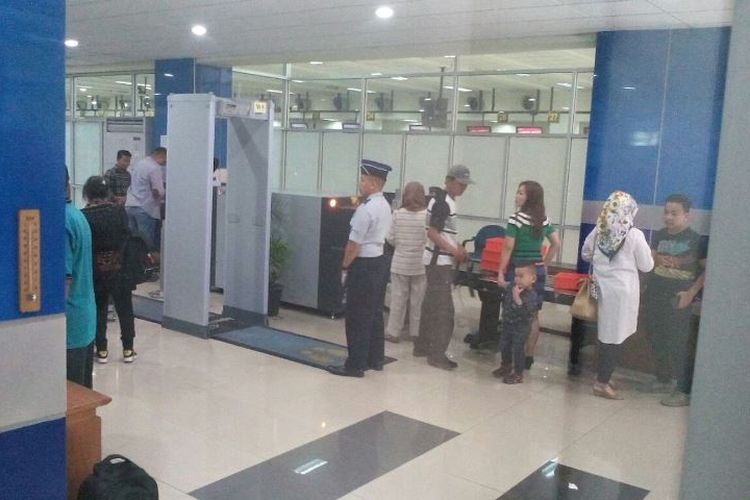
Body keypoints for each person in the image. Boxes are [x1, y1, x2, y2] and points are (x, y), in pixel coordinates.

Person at [581, 191, 654, 400]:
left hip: (601, 290)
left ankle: (604, 375)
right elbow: (647, 265)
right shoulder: (634, 235)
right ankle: (601, 383)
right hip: (623, 294)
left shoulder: (598, 231)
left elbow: (586, 254)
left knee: (605, 334)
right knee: (616, 338)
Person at [327, 160, 393, 377]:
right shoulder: (384, 205)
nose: (360, 183)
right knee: (374, 313)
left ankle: (355, 364)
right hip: (379, 263)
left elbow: (353, 245)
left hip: (363, 266)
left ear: (373, 183)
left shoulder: (365, 209)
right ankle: (375, 359)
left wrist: (345, 267)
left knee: (356, 316)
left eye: (363, 180)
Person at [643, 194, 708, 407]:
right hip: (655, 295)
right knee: (655, 336)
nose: (669, 217)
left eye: (674, 213)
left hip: (679, 299)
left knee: (678, 343)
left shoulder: (696, 240)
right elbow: (649, 261)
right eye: (666, 212)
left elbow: (707, 270)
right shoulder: (659, 235)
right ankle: (663, 379)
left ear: (686, 216)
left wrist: (691, 293)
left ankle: (683, 389)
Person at [496, 181, 560, 370]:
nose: (517, 196)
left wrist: (500, 271)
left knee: (511, 312)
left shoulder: (516, 219)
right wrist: (544, 264)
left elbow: (508, 247)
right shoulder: (543, 220)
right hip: (536, 271)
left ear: (530, 197)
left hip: (517, 268)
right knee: (532, 314)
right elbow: (556, 243)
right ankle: (528, 356)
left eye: (521, 193)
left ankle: (508, 361)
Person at [414, 165, 473, 370]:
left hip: (437, 261)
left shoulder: (445, 201)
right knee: (444, 312)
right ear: (448, 181)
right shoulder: (442, 204)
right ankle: (436, 354)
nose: (463, 188)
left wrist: (457, 248)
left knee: (430, 306)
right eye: (460, 184)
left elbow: (445, 234)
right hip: (438, 264)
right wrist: (454, 250)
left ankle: (421, 346)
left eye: (465, 185)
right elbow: (433, 233)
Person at [81, 176, 138, 364]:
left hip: (95, 271)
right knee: (125, 309)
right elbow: (126, 237)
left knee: (99, 308)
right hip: (119, 267)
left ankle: (102, 349)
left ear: (87, 194)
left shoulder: (84, 216)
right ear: (107, 193)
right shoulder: (119, 212)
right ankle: (128, 349)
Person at [385, 181, 428, 343]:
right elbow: (428, 239)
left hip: (400, 263)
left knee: (397, 300)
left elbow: (390, 238)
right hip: (419, 264)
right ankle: (415, 333)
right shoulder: (426, 216)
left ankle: (393, 332)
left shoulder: (398, 214)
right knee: (417, 301)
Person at [64, 169, 96, 388]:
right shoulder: (76, 215)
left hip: (69, 324)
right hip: (84, 318)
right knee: (83, 394)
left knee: (71, 401)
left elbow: (64, 281)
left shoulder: (60, 221)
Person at [492, 263, 539, 384]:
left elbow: (527, 312)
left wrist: (518, 299)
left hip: (521, 327)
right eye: (516, 276)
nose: (517, 279)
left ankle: (518, 373)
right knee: (504, 345)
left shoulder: (532, 295)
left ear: (533, 279)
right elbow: (503, 284)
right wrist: (501, 273)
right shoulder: (512, 286)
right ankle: (506, 365)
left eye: (521, 276)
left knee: (518, 348)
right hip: (507, 323)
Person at [125, 147, 166, 250]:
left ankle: (133, 263)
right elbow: (158, 191)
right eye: (165, 159)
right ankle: (145, 265)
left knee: (132, 241)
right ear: (161, 156)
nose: (166, 162)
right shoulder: (155, 168)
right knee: (145, 243)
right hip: (145, 208)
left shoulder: (140, 163)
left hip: (130, 206)